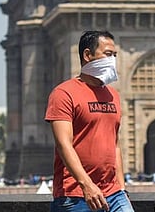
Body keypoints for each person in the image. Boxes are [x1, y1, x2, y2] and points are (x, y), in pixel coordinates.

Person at [44, 30, 133, 212]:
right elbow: (63, 144)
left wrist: (121, 187)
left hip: (113, 193)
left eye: (115, 55)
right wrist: (87, 185)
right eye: (108, 54)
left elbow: (114, 144)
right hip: (76, 194)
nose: (113, 60)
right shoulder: (63, 93)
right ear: (87, 55)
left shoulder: (112, 95)